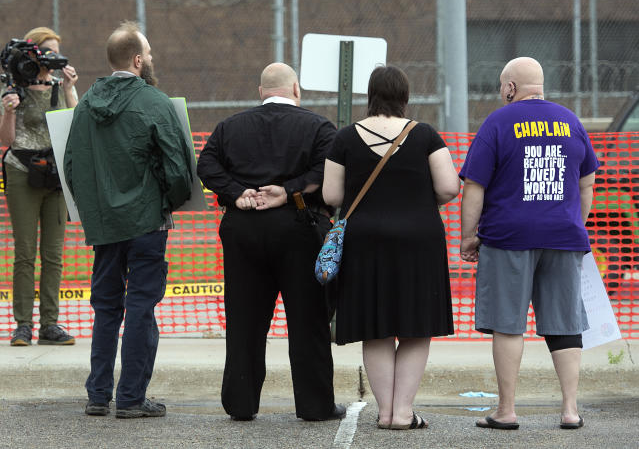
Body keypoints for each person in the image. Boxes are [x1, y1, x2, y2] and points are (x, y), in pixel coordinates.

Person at [196, 62, 346, 422]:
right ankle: (314, 405)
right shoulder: (319, 127)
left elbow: (206, 165)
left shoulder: (229, 127)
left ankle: (240, 403)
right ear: (296, 89)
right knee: (308, 320)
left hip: (243, 229)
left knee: (244, 319)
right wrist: (289, 190)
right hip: (299, 227)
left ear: (262, 92)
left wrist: (237, 193)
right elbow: (329, 169)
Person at [459, 56, 598, 431]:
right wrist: (572, 224)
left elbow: (474, 187)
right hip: (564, 237)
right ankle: (570, 410)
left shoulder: (497, 123)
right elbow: (587, 183)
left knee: (508, 324)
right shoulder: (571, 121)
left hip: (507, 238)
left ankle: (507, 410)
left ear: (509, 88)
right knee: (565, 324)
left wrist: (468, 236)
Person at [64, 21, 194, 419]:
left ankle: (98, 395)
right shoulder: (155, 102)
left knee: (106, 309)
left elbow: (71, 166)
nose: (152, 60)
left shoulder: (85, 104)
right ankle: (133, 398)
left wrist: (95, 211)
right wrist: (166, 204)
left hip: (105, 228)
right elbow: (178, 168)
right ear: (138, 60)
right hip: (146, 225)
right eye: (149, 55)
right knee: (140, 307)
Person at [322, 65, 461, 430]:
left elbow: (331, 195)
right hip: (419, 240)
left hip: (364, 243)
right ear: (405, 97)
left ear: (369, 96)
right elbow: (449, 187)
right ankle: (403, 411)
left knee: (376, 325)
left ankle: (385, 412)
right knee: (416, 326)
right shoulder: (426, 135)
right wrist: (414, 198)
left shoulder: (345, 138)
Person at [0, 27, 80, 346]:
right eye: (46, 50)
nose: (52, 56)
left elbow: (77, 126)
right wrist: (9, 111)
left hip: (54, 173)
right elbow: (7, 141)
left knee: (54, 253)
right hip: (22, 169)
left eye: (56, 50)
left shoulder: (59, 86)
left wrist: (71, 89)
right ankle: (23, 324)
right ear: (31, 52)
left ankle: (50, 322)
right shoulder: (16, 89)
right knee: (25, 252)